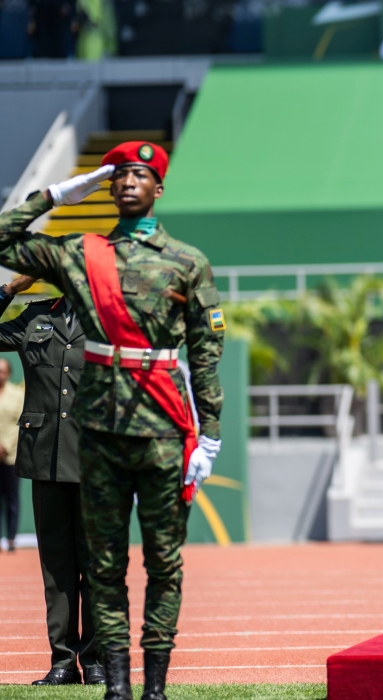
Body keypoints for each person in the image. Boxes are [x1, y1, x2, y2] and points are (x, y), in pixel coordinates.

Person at [0, 141, 225, 700]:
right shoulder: (79, 257)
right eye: (118, 173)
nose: (128, 181)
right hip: (85, 440)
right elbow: (6, 240)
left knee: (143, 561)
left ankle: (136, 677)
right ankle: (98, 675)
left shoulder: (183, 261)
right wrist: (53, 196)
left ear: (158, 188)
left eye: (140, 174)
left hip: (147, 433)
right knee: (83, 564)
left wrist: (210, 433)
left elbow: (203, 354)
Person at [0, 273, 104, 685]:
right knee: (57, 568)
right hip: (45, 457)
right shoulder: (34, 317)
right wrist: (7, 291)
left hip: (97, 461)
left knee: (96, 567)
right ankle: (63, 661)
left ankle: (94, 660)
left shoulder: (111, 320)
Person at [0, 356, 23, 553]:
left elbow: (20, 424)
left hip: (10, 455)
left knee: (12, 498)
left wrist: (5, 446)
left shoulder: (17, 394)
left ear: (8, 374)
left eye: (2, 371)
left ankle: (11, 538)